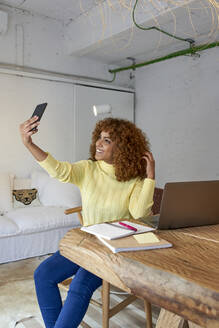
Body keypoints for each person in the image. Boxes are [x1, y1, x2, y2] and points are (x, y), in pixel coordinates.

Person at [19, 115, 155, 328]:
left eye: (107, 140)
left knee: (80, 286)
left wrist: (149, 177)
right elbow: (58, 170)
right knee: (43, 274)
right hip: (87, 243)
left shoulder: (134, 180)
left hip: (112, 250)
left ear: (123, 148)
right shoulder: (88, 169)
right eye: (99, 138)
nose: (98, 144)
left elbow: (139, 213)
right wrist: (29, 143)